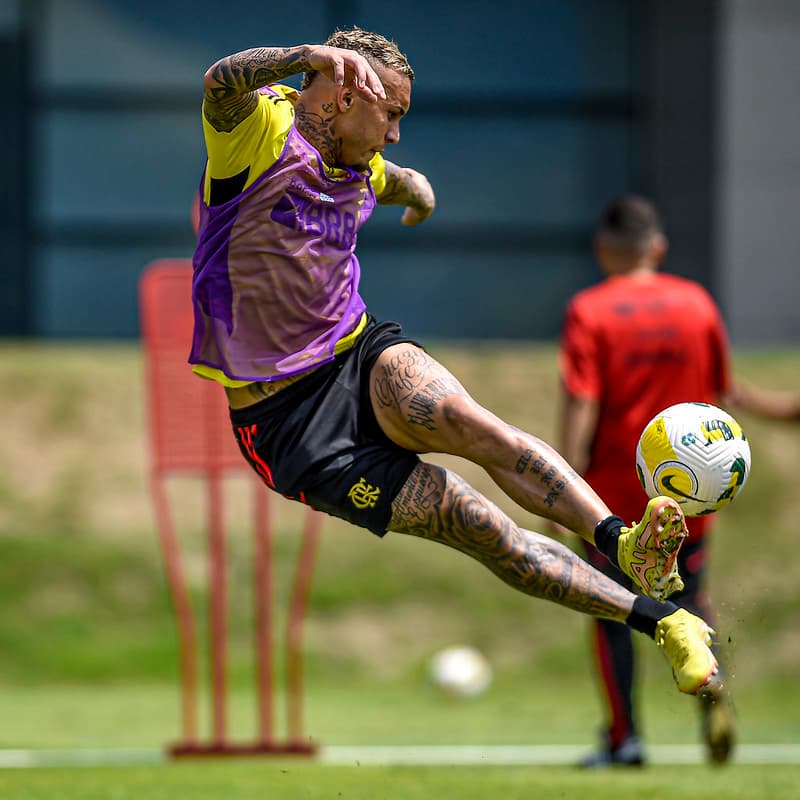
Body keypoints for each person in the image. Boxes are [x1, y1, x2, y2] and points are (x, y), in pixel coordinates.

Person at [189, 27, 721, 709]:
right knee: (482, 529)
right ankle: (667, 622)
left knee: (468, 422)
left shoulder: (359, 165)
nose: (396, 134)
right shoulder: (258, 129)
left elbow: (393, 180)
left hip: (353, 354)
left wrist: (417, 192)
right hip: (287, 425)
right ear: (348, 95)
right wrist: (302, 58)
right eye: (394, 115)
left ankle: (622, 543)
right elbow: (218, 82)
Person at [557, 195, 800, 767]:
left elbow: (582, 400)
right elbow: (726, 394)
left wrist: (560, 485)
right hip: (691, 499)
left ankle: (626, 739)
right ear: (658, 247)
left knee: (611, 608)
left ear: (604, 250)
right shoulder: (696, 304)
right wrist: (787, 410)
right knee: (689, 600)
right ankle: (712, 694)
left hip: (612, 498)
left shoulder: (590, 311)